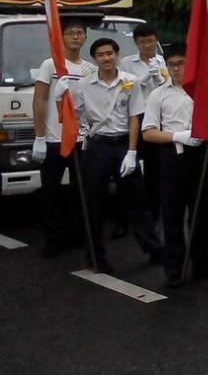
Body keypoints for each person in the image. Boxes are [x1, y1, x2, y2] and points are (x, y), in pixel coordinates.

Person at [68, 37, 162, 272]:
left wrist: (132, 152)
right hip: (98, 146)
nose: (106, 58)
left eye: (110, 53)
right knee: (94, 203)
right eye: (101, 55)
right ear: (94, 59)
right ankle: (95, 256)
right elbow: (75, 115)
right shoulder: (84, 85)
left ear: (117, 55)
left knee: (137, 199)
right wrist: (63, 99)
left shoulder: (130, 81)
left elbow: (134, 117)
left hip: (123, 145)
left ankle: (154, 249)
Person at [141, 45, 208, 288]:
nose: (177, 69)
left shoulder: (205, 91)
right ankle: (174, 268)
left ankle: (202, 263)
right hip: (173, 155)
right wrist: (177, 136)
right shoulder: (159, 94)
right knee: (172, 214)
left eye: (181, 63)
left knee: (203, 213)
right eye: (172, 64)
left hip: (202, 155)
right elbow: (148, 133)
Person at [32, 16, 97, 257]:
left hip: (80, 138)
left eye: (79, 32)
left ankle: (77, 235)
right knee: (51, 192)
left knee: (80, 191)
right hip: (53, 138)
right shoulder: (51, 65)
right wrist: (39, 137)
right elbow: (39, 100)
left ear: (85, 37)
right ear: (61, 37)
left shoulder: (90, 69)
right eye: (70, 33)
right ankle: (52, 240)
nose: (75, 37)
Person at [121, 24, 167, 224]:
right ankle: (131, 213)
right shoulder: (126, 63)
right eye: (142, 41)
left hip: (159, 118)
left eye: (150, 40)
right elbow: (123, 89)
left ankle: (155, 209)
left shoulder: (163, 61)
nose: (147, 45)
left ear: (156, 40)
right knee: (134, 165)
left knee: (155, 167)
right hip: (136, 116)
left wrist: (159, 77)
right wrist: (143, 79)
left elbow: (171, 87)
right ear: (136, 43)